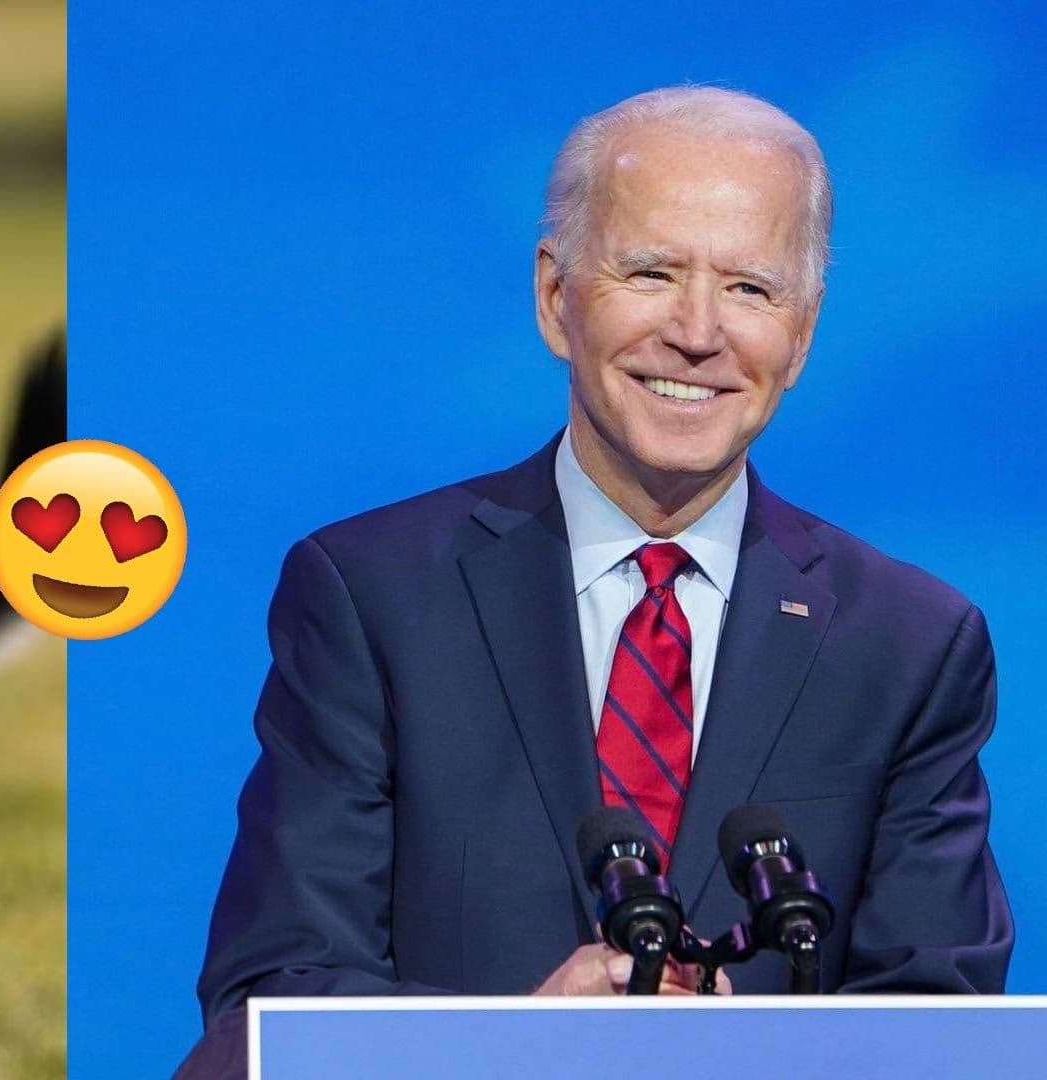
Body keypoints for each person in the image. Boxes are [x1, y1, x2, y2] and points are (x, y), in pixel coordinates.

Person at [177, 86, 1012, 1075]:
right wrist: (519, 1048)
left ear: (803, 332)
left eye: (750, 288)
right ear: (554, 298)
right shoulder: (373, 597)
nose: (698, 332)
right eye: (652, 272)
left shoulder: (909, 643)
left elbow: (941, 1030)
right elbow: (272, 1007)